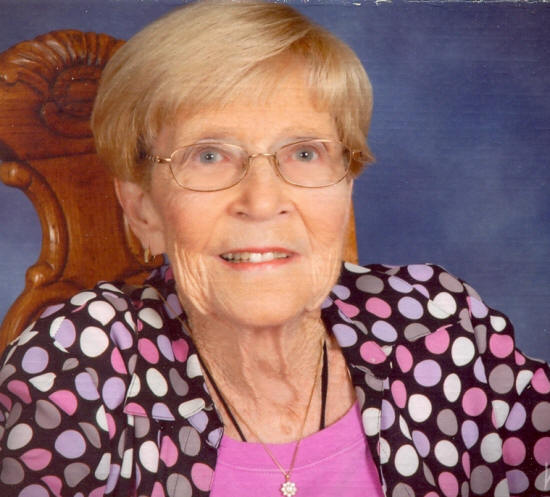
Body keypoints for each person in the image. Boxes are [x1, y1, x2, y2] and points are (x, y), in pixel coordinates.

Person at [0, 2, 548, 496]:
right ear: (143, 209)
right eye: (209, 155)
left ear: (345, 185)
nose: (262, 202)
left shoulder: (435, 323)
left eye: (304, 153)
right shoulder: (83, 362)